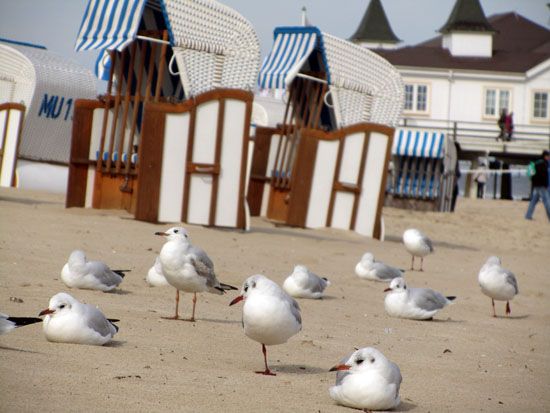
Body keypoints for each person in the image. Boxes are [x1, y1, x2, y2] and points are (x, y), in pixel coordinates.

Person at [525, 150, 550, 221]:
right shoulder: (544, 164)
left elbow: (533, 175)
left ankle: (528, 215)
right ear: (546, 156)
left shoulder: (538, 163)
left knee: (534, 200)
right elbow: (543, 176)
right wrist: (546, 185)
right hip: (542, 185)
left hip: (537, 185)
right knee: (547, 201)